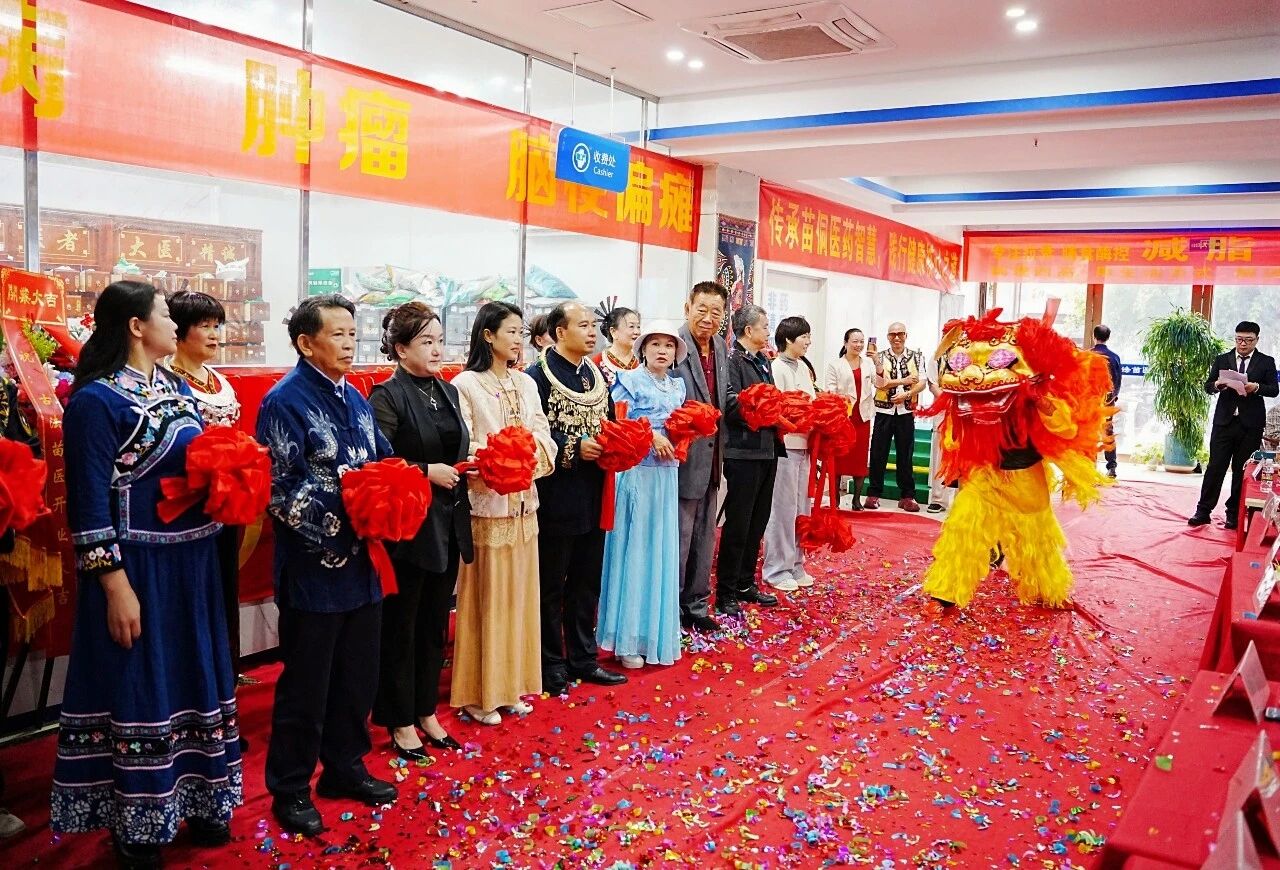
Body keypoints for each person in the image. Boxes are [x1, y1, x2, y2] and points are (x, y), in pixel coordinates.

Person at [52, 281, 241, 868]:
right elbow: (88, 506)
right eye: (164, 314)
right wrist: (114, 586)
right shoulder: (96, 401)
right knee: (141, 687)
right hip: (138, 570)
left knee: (196, 677)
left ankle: (202, 796)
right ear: (137, 326)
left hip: (193, 566)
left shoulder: (173, 388)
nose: (175, 324)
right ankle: (138, 819)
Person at [258, 295, 396, 837]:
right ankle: (290, 785)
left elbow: (381, 456)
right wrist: (350, 514)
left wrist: (393, 494)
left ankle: (344, 766)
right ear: (305, 342)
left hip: (365, 562)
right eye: (337, 334)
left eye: (352, 333)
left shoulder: (355, 394)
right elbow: (280, 490)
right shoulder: (283, 401)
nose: (349, 343)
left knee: (358, 674)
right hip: (314, 566)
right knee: (307, 683)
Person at [368, 302, 472, 759]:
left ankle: (426, 709)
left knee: (434, 625)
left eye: (439, 340)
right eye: (426, 341)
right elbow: (377, 459)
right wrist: (426, 471)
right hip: (408, 527)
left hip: (448, 521)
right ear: (400, 348)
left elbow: (455, 446)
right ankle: (399, 718)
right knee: (402, 627)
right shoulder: (387, 396)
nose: (436, 349)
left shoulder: (447, 390)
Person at [450, 302, 556, 725]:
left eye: (519, 331)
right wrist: (499, 459)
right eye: (510, 331)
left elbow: (543, 433)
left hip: (525, 505)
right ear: (487, 335)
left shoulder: (525, 383)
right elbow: (465, 444)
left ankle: (510, 686)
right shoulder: (466, 384)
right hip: (488, 507)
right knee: (488, 600)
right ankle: (480, 693)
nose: (517, 339)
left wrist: (528, 457)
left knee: (519, 599)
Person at [527, 302, 628, 696]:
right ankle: (550, 662)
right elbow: (532, 432)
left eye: (592, 326)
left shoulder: (595, 374)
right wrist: (571, 445)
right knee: (551, 583)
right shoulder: (537, 376)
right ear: (559, 332)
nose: (592, 333)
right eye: (583, 325)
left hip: (593, 490)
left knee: (587, 580)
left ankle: (583, 657)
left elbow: (609, 422)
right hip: (555, 493)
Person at [165, 291, 249, 707]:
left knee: (224, 588)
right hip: (187, 505)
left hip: (226, 502)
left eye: (217, 326)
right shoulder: (167, 380)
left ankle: (225, 679)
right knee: (194, 595)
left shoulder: (219, 380)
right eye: (205, 326)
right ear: (178, 331)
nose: (215, 335)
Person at [597, 320, 687, 668]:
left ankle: (655, 635)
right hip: (636, 473)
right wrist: (650, 435)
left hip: (667, 475)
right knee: (634, 549)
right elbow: (617, 424)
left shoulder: (678, 386)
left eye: (669, 345)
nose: (662, 350)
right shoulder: (628, 380)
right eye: (655, 344)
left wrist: (686, 435)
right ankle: (627, 638)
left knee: (659, 550)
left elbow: (682, 424)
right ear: (643, 349)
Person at [670, 282, 731, 633]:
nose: (708, 318)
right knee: (679, 539)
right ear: (687, 307)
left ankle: (695, 606)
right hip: (682, 457)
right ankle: (672, 611)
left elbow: (723, 397)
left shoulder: (720, 346)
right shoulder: (673, 345)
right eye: (702, 309)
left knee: (705, 536)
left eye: (716, 312)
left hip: (713, 457)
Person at [717, 304, 782, 617]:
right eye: (765, 326)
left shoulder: (763, 360)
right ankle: (726, 590)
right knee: (739, 523)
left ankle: (746, 582)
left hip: (767, 448)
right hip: (743, 451)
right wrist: (762, 411)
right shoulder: (732, 361)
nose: (768, 332)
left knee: (758, 521)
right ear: (748, 330)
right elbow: (730, 404)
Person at [1189, 321, 1279, 530]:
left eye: (1248, 340)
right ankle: (1203, 511)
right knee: (1215, 467)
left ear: (1256, 340)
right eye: (1239, 339)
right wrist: (1217, 385)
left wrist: (1256, 387)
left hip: (1250, 424)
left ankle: (1234, 514)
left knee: (1241, 470)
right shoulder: (1223, 359)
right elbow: (1208, 386)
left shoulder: (1266, 361)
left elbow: (1274, 390)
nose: (1243, 344)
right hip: (1224, 422)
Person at [762, 316, 815, 592]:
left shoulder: (804, 367)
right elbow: (778, 408)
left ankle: (796, 562)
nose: (808, 342)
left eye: (808, 336)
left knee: (801, 508)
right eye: (804, 336)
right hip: (785, 446)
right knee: (782, 508)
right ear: (788, 339)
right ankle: (776, 568)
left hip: (805, 445)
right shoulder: (776, 368)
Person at [866, 322, 926, 512]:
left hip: (906, 412)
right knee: (878, 453)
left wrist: (907, 394)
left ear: (906, 335)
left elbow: (922, 382)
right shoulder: (879, 357)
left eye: (900, 334)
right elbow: (879, 383)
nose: (897, 338)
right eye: (892, 334)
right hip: (884, 411)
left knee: (905, 455)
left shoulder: (917, 357)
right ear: (888, 337)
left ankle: (907, 495)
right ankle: (874, 493)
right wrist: (904, 381)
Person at [824, 328, 875, 510]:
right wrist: (842, 400)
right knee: (838, 458)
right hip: (843, 418)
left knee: (860, 459)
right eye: (855, 341)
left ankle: (856, 500)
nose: (859, 345)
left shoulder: (868, 363)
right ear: (845, 343)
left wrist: (878, 363)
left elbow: (880, 383)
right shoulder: (835, 365)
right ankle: (835, 499)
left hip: (862, 417)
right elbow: (829, 390)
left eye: (861, 341)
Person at [1091, 325, 1123, 479]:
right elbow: (1118, 379)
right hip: (1108, 401)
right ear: (1108, 338)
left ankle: (1090, 466)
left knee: (1089, 432)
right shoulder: (1114, 357)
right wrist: (1113, 396)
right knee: (1108, 432)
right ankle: (1111, 467)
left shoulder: (1088, 355)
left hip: (1090, 401)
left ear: (1094, 336)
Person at [595, 306, 641, 388]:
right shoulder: (597, 362)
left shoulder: (643, 361)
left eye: (638, 327)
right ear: (613, 332)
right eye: (631, 326)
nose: (637, 332)